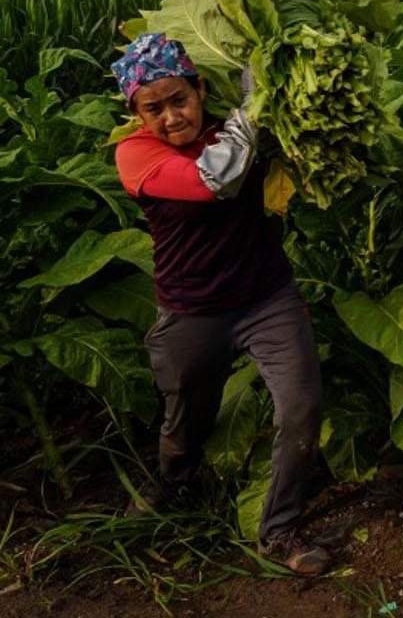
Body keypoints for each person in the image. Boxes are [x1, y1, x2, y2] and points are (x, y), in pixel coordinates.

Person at [111, 33, 329, 577]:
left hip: (267, 297)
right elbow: (214, 181)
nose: (170, 118)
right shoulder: (136, 153)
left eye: (179, 100)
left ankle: (278, 530)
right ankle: (173, 481)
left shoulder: (233, 127)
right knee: (185, 420)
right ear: (136, 113)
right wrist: (254, 106)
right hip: (192, 312)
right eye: (153, 108)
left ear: (200, 88)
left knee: (301, 407)